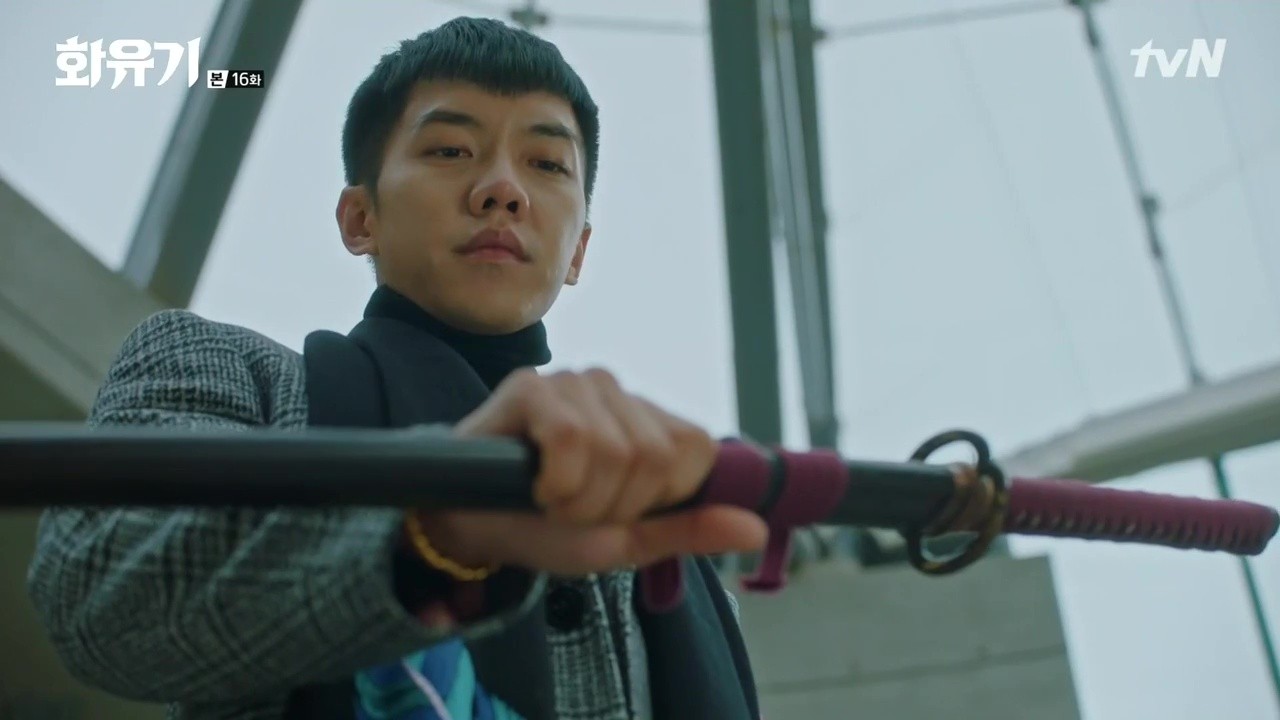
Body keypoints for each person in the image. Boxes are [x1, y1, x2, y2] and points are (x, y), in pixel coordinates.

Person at [26, 16, 768, 720]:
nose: (502, 189)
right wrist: (432, 536)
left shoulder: (668, 540)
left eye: (546, 164)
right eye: (449, 150)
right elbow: (102, 592)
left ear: (577, 250)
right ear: (361, 219)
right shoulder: (232, 374)